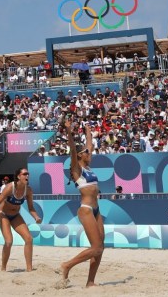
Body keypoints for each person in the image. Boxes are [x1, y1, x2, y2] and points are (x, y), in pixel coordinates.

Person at [59, 118, 104, 287]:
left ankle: (90, 282)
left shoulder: (88, 167)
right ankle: (66, 265)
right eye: (86, 152)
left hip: (96, 209)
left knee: (101, 247)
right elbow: (72, 148)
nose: (89, 153)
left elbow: (90, 144)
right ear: (79, 155)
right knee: (96, 247)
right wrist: (69, 131)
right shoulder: (77, 168)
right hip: (85, 209)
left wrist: (87, 130)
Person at [0, 168, 41, 271]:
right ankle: (3, 268)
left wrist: (36, 217)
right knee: (9, 242)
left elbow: (31, 208)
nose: (27, 176)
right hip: (3, 215)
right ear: (18, 176)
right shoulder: (10, 187)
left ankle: (29, 269)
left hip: (15, 215)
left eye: (28, 174)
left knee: (29, 239)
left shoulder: (28, 190)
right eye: (24, 174)